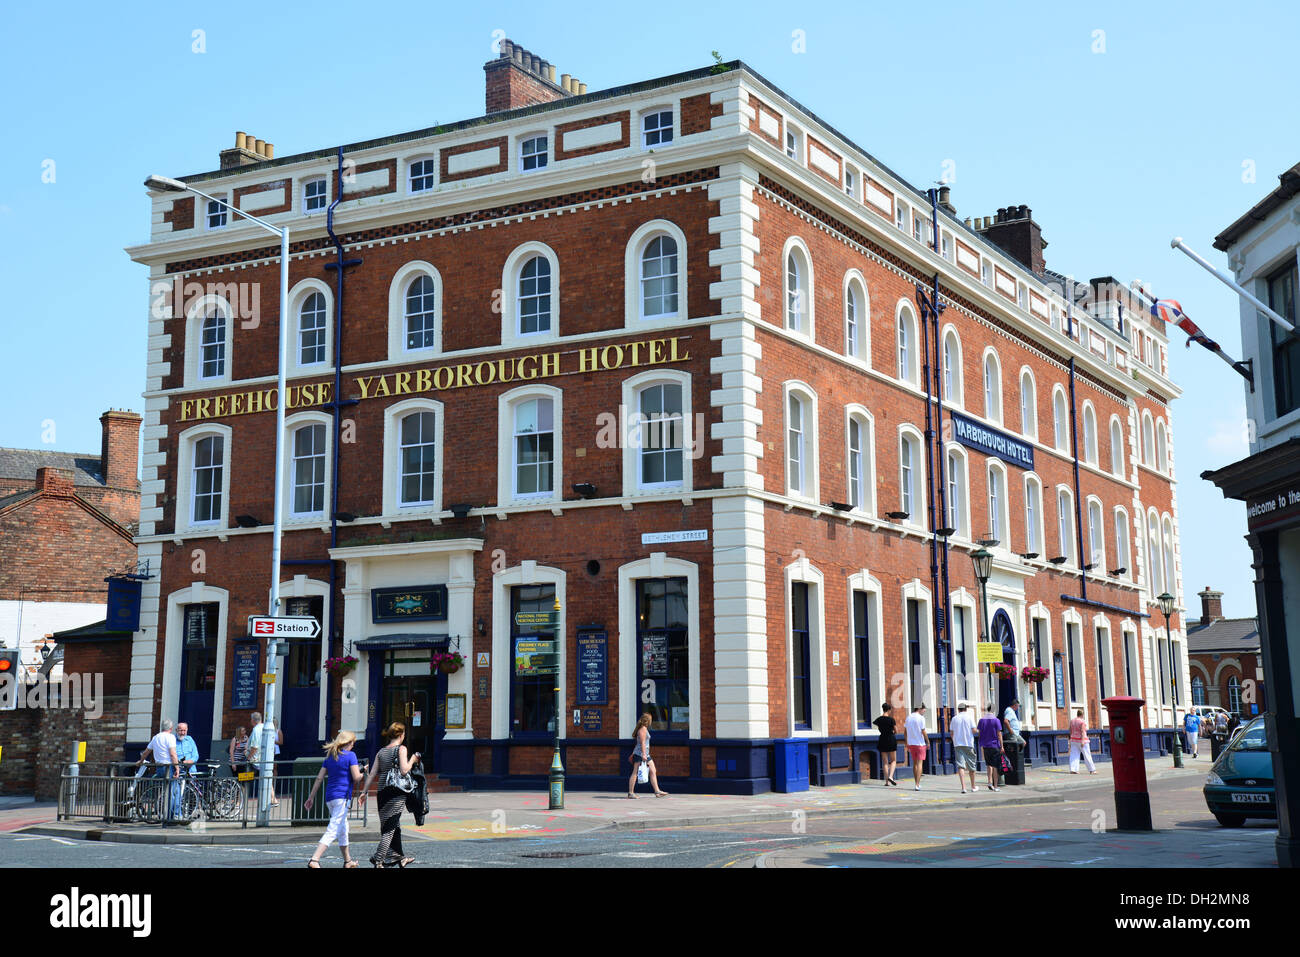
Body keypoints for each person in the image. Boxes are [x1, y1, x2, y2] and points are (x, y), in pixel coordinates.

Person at [361, 722, 420, 868]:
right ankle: (378, 858)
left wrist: (364, 792)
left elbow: (373, 773)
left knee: (393, 825)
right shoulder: (401, 749)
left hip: (382, 792)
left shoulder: (381, 751)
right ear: (401, 735)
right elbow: (404, 770)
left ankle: (399, 857)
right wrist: (413, 759)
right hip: (396, 792)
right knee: (390, 828)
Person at [304, 730, 364, 868]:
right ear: (348, 742)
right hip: (342, 798)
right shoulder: (351, 756)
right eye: (353, 742)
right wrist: (363, 772)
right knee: (333, 829)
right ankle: (314, 859)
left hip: (330, 798)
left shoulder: (330, 756)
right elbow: (356, 778)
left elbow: (319, 778)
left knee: (343, 828)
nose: (353, 745)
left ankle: (348, 861)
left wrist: (311, 797)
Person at [627, 712, 668, 798]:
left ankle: (657, 791)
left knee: (653, 770)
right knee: (635, 772)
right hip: (641, 754)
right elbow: (642, 743)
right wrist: (644, 755)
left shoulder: (643, 728)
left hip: (642, 753)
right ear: (648, 720)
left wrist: (634, 753)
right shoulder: (643, 729)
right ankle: (631, 793)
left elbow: (638, 743)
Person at [247, 712, 284, 808]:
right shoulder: (266, 728)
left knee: (244, 780)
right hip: (264, 759)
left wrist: (248, 757)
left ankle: (239, 802)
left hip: (256, 761)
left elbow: (254, 747)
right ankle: (273, 799)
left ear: (252, 720)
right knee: (266, 778)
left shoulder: (256, 730)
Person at [147, 720, 180, 819]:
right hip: (169, 767)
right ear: (171, 728)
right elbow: (173, 754)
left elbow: (146, 751)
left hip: (159, 768)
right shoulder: (171, 737)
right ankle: (172, 816)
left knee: (165, 792)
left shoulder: (155, 737)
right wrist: (177, 768)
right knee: (174, 792)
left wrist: (140, 761)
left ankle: (165, 815)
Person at [950, 702, 978, 794]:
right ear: (966, 709)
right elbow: (974, 730)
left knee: (960, 766)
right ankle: (973, 787)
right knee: (971, 766)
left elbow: (952, 733)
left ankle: (963, 788)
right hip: (968, 744)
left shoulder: (954, 719)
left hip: (958, 744)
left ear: (958, 710)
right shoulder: (969, 717)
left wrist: (955, 740)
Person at [976, 704, 1004, 791]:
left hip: (985, 746)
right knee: (995, 766)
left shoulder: (981, 720)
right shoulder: (996, 721)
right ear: (994, 710)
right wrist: (1002, 746)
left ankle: (989, 782)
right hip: (995, 745)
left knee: (988, 765)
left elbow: (980, 734)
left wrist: (981, 743)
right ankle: (995, 786)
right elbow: (999, 735)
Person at [873, 703, 899, 786]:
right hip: (891, 739)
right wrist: (892, 732)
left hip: (882, 739)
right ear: (889, 710)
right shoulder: (891, 720)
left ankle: (887, 781)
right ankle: (891, 777)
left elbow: (879, 729)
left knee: (885, 762)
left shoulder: (879, 720)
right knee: (893, 760)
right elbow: (896, 731)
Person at [903, 704, 927, 791]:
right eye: (924, 709)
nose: (925, 711)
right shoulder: (921, 718)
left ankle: (916, 783)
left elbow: (905, 732)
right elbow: (923, 731)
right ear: (920, 708)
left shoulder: (908, 717)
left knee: (915, 763)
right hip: (920, 743)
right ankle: (917, 784)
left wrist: (907, 743)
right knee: (920, 764)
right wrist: (927, 741)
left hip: (911, 744)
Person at [1068, 708, 1096, 774]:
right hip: (1082, 740)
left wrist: (1070, 739)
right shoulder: (1082, 722)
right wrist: (1083, 741)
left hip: (1073, 740)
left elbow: (1070, 730)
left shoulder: (1072, 721)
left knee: (1074, 755)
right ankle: (1092, 770)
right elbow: (1083, 732)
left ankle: (1073, 769)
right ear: (1082, 714)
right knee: (1087, 755)